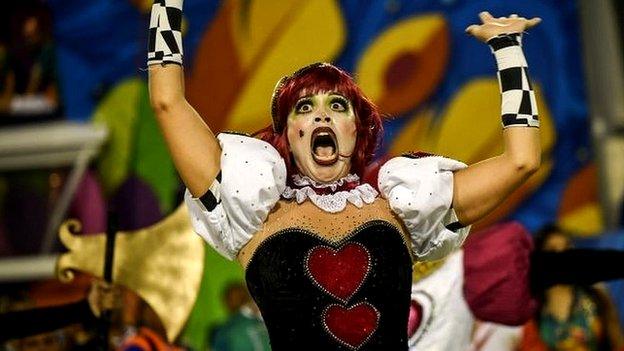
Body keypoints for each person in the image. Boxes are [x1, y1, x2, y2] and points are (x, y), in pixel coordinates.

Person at [148, 1, 541, 348]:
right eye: (303, 108)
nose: (322, 114)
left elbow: (520, 161)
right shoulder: (252, 210)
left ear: (357, 128)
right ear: (286, 134)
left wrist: (508, 51)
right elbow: (167, 102)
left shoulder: (402, 205)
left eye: (337, 105)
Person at [520, 226, 624, 351]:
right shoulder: (533, 311)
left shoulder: (596, 294)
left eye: (567, 248)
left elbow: (617, 340)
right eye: (552, 251)